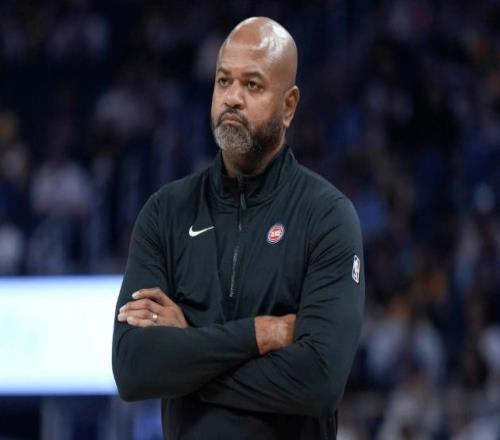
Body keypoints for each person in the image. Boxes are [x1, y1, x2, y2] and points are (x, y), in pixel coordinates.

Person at [112, 16, 364, 440]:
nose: (232, 98)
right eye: (223, 81)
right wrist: (259, 334)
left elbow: (318, 382)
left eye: (252, 85)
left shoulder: (326, 215)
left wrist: (188, 350)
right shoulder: (166, 212)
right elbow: (133, 369)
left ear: (288, 106)